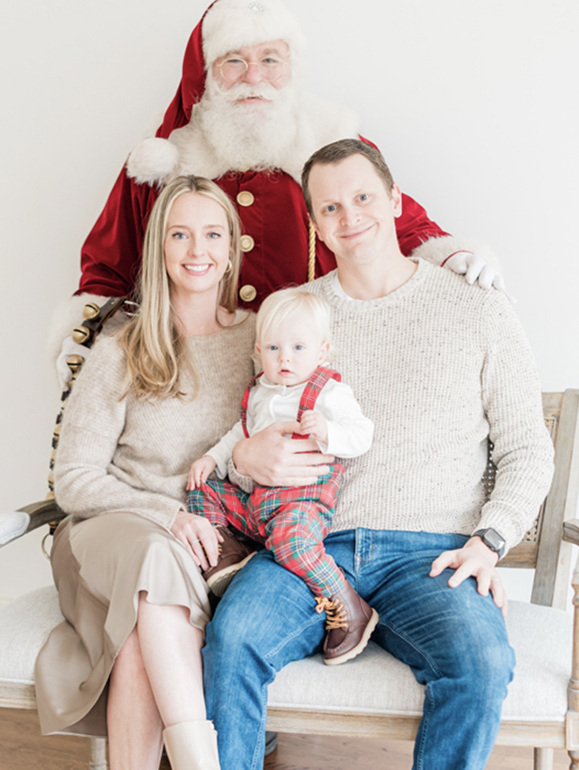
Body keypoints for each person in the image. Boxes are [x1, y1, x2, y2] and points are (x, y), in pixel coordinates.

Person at [201, 139, 555, 770]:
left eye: (363, 197)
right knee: (233, 639)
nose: (350, 216)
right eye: (330, 207)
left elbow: (528, 448)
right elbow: (248, 422)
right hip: (311, 545)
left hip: (433, 556)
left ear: (394, 200)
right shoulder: (297, 315)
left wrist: (490, 541)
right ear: (315, 222)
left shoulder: (476, 306)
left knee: (481, 661)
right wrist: (244, 458)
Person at [54, 0, 502, 388]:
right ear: (207, 72)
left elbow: (392, 225)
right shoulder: (164, 160)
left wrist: (453, 256)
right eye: (234, 61)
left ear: (292, 68)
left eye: (270, 60)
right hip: (196, 377)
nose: (254, 77)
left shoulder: (332, 142)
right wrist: (90, 335)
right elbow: (110, 269)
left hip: (316, 374)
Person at [35, 175, 258, 770]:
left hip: (206, 546)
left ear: (232, 248)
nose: (197, 250)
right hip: (106, 534)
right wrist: (168, 514)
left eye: (212, 234)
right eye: (179, 235)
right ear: (159, 246)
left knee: (139, 633)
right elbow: (74, 479)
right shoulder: (122, 346)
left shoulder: (261, 341)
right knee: (154, 557)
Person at [186, 288, 377, 665]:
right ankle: (230, 552)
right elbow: (239, 433)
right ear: (259, 351)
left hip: (301, 506)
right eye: (273, 348)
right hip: (258, 508)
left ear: (322, 351)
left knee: (293, 544)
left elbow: (362, 434)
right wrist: (211, 458)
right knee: (200, 487)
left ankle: (347, 604)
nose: (284, 357)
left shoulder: (329, 393)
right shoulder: (260, 391)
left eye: (298, 348)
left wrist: (328, 431)